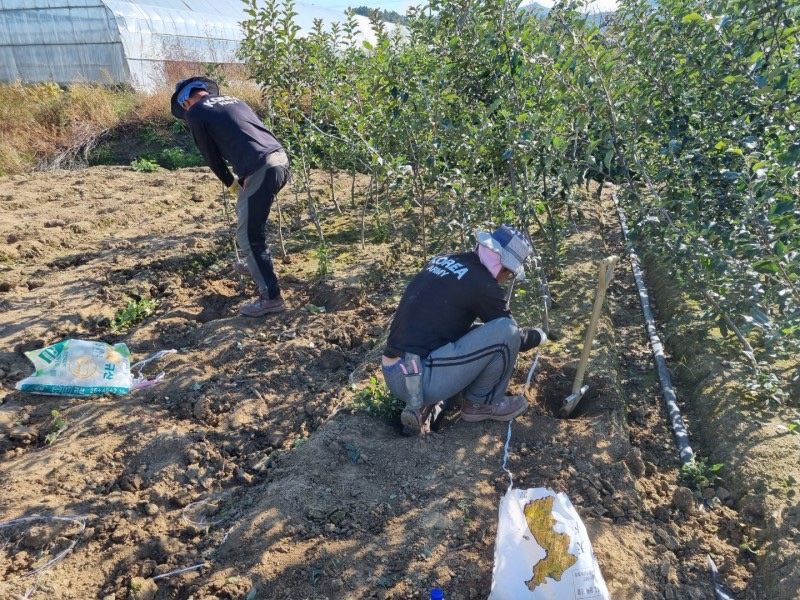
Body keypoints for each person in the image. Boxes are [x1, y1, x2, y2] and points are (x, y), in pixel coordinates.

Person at [382, 225, 547, 435]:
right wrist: (539, 336)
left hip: (395, 369)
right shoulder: (483, 284)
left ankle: (427, 407)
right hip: (419, 379)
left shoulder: (447, 259)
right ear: (504, 267)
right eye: (510, 273)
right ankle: (482, 404)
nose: (507, 279)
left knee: (475, 331)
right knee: (506, 331)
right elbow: (511, 336)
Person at [171, 76, 290, 317]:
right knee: (247, 214)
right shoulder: (236, 101)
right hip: (280, 159)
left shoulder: (195, 113)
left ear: (185, 102)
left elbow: (211, 156)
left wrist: (231, 183)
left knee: (248, 235)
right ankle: (255, 266)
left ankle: (271, 298)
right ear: (205, 91)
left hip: (261, 167)